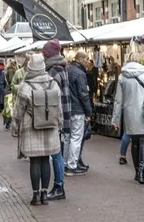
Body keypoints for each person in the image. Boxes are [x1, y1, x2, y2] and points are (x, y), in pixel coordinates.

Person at [13, 53, 63, 205]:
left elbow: (18, 110)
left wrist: (15, 127)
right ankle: (44, 194)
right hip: (50, 126)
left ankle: (35, 195)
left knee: (35, 160)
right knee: (46, 160)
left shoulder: (25, 86)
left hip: (31, 127)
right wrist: (59, 123)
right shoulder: (53, 84)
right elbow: (58, 107)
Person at [111, 50, 144, 185]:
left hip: (129, 113)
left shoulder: (123, 76)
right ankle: (141, 173)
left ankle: (136, 171)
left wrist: (115, 119)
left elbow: (118, 100)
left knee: (135, 142)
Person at [42, 40, 73, 200]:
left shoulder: (53, 71)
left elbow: (52, 96)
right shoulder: (62, 68)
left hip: (54, 117)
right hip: (61, 116)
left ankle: (59, 186)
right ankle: (58, 185)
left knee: (56, 153)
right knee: (57, 152)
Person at [67, 51, 95, 174]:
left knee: (68, 137)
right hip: (77, 109)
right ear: (81, 59)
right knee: (76, 137)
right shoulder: (80, 73)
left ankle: (66, 162)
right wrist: (89, 112)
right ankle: (72, 165)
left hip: (68, 108)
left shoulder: (67, 70)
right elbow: (83, 94)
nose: (88, 61)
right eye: (87, 59)